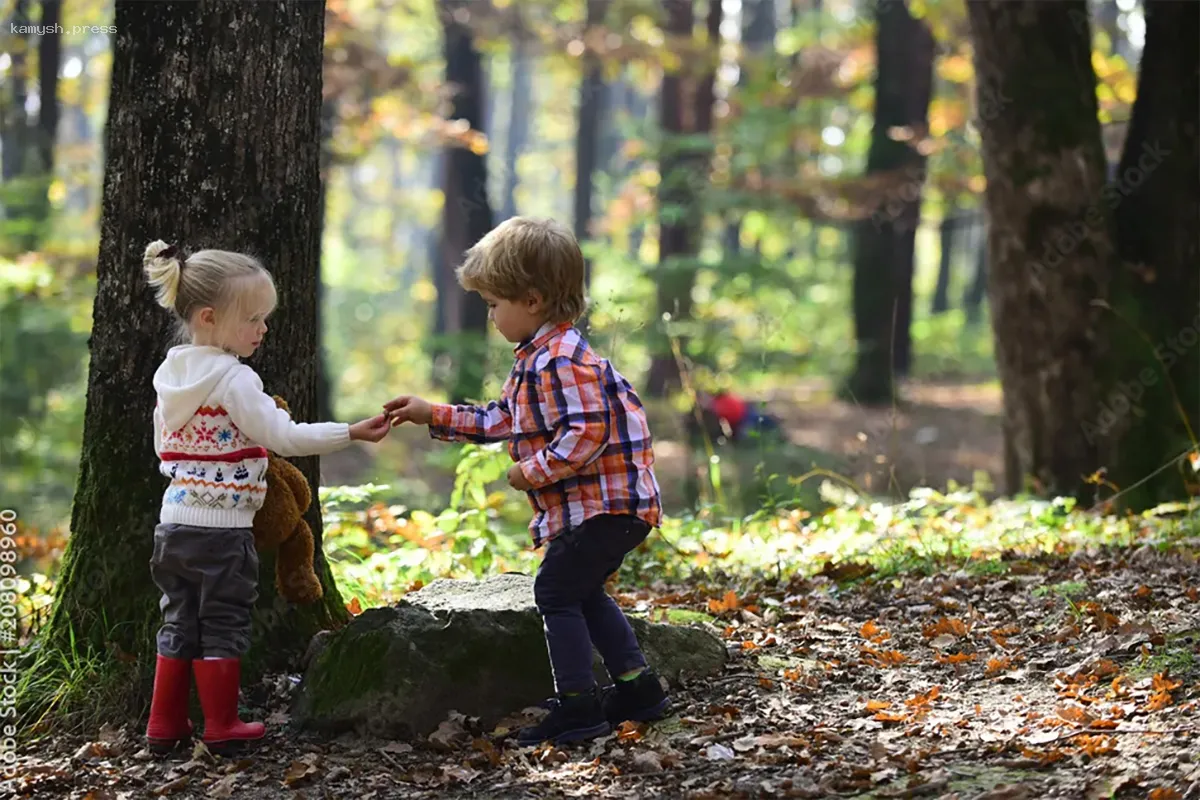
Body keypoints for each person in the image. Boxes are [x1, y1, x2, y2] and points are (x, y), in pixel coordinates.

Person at [384, 217, 671, 746]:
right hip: (608, 507)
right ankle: (637, 687)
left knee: (554, 592)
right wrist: (433, 414)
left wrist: (531, 471)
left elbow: (587, 430)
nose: (490, 316)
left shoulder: (559, 360)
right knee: (581, 593)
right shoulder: (539, 357)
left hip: (607, 506)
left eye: (494, 304)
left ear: (533, 300)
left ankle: (579, 708)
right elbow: (503, 419)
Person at [142, 240, 390, 754]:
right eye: (253, 318)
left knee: (179, 620)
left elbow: (163, 446)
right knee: (223, 625)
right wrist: (350, 432)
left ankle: (163, 726)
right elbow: (284, 436)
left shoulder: (171, 375)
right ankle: (222, 725)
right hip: (223, 531)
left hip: (173, 523)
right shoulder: (235, 378)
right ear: (209, 318)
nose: (264, 328)